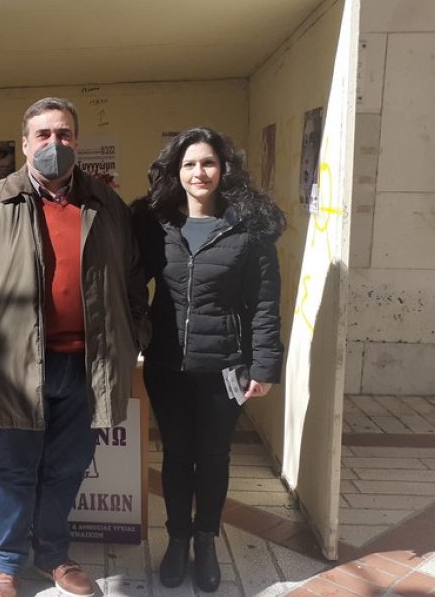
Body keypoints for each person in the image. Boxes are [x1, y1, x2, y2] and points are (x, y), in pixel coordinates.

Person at [0, 97, 150, 597]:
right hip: (15, 370)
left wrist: (133, 339)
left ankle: (54, 554)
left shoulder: (106, 205)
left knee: (68, 465)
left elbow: (132, 279)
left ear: (76, 141)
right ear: (24, 143)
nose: (54, 143)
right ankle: (6, 565)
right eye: (43, 134)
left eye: (63, 134)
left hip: (87, 367)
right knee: (14, 469)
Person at [131, 128, 284, 592]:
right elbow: (129, 282)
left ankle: (206, 539)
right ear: (176, 172)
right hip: (167, 366)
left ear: (223, 169)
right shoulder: (155, 225)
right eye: (190, 164)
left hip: (225, 367)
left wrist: (264, 366)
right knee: (177, 455)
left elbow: (265, 303)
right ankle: (178, 539)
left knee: (214, 457)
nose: (199, 172)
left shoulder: (249, 229)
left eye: (208, 163)